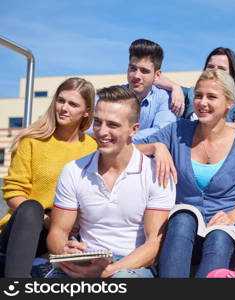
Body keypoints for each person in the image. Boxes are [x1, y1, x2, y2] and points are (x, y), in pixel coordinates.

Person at [137, 69, 235, 278]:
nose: (203, 103)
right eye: (199, 96)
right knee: (183, 217)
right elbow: (128, 150)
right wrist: (156, 147)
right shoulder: (176, 131)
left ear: (228, 103)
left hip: (226, 234)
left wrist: (232, 215)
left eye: (211, 97)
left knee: (220, 236)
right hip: (181, 235)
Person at [46, 85, 175, 278]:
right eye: (97, 122)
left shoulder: (157, 174)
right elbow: (57, 232)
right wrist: (65, 251)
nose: (101, 132)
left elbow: (153, 245)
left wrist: (108, 271)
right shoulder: (73, 171)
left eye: (112, 125)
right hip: (86, 258)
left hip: (132, 265)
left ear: (134, 129)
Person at [0, 77, 97, 278]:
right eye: (60, 101)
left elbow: (124, 149)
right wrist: (47, 221)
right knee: (32, 208)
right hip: (27, 227)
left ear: (86, 111)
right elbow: (13, 193)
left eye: (73, 104)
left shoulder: (93, 147)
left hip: (69, 229)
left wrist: (156, 146)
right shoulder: (32, 141)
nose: (64, 108)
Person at [156, 47, 235, 130]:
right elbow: (155, 77)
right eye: (210, 67)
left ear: (233, 74)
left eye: (221, 68)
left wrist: (215, 125)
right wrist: (175, 87)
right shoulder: (191, 93)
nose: (215, 71)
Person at [124, 39, 177, 143]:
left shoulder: (165, 98)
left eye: (144, 71)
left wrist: (121, 139)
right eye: (133, 68)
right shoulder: (111, 96)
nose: (136, 76)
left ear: (157, 75)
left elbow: (163, 132)